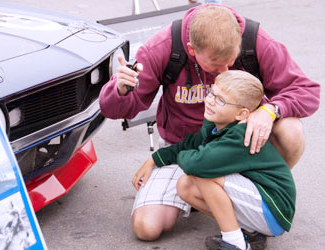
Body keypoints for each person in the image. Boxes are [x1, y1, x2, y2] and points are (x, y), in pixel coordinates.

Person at [99, 4, 319, 241]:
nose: (223, 72)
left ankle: (255, 209)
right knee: (146, 227)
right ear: (192, 50)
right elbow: (116, 110)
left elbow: (307, 90)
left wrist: (270, 110)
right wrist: (120, 90)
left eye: (230, 61)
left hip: (238, 145)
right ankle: (209, 194)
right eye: (214, 63)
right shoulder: (161, 48)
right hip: (185, 143)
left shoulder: (255, 40)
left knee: (291, 129)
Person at [133, 70, 296, 250]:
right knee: (185, 186)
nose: (210, 100)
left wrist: (189, 157)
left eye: (221, 100)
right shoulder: (217, 123)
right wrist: (155, 159)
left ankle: (235, 243)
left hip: (274, 208)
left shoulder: (240, 135)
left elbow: (196, 164)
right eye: (212, 93)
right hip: (258, 203)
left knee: (202, 174)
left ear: (241, 114)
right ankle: (249, 232)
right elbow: (191, 144)